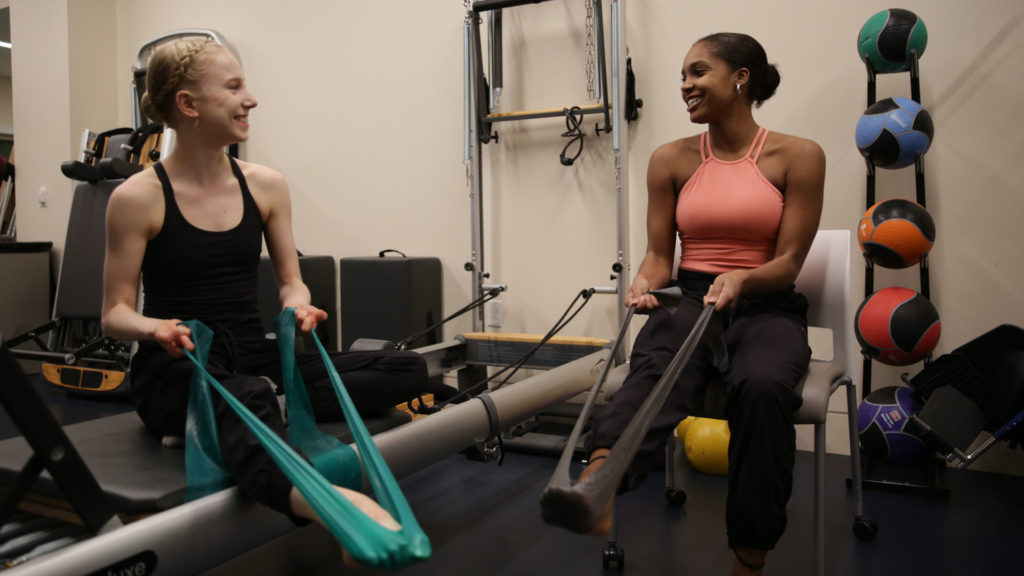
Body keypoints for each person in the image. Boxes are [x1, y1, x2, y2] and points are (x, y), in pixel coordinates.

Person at [101, 37, 447, 536]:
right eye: (235, 86)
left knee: (405, 367)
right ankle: (331, 507)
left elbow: (291, 283)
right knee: (245, 393)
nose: (252, 99)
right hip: (178, 365)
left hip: (253, 357)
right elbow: (114, 311)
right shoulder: (137, 197)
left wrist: (300, 307)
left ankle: (229, 417)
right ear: (188, 104)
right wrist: (155, 328)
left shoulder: (265, 184)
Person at [579, 33, 825, 576]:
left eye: (697, 72)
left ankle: (750, 555)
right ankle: (598, 481)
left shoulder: (799, 155)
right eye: (683, 76)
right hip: (690, 297)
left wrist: (742, 277)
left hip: (767, 304)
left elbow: (787, 261)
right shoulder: (670, 158)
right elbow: (658, 256)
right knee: (655, 362)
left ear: (740, 77)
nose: (685, 86)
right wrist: (643, 284)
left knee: (762, 388)